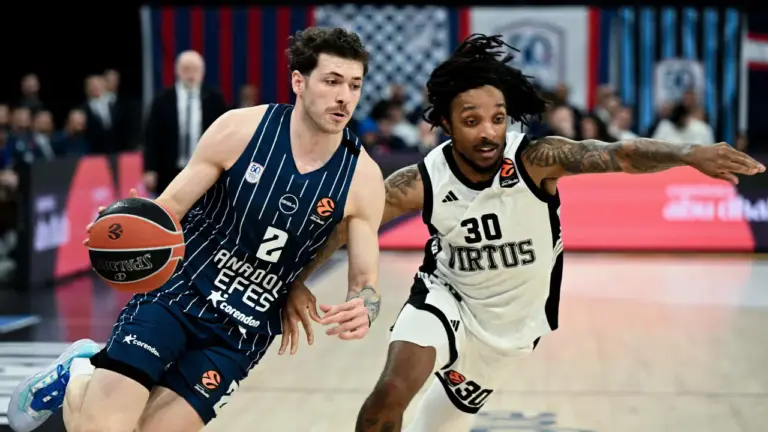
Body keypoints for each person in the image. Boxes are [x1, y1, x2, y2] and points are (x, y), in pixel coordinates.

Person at [278, 34, 766, 432]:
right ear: (446, 123)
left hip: (508, 331)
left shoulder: (535, 160)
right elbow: (348, 225)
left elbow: (618, 154)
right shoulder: (422, 181)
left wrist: (687, 155)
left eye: (497, 119)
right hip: (445, 299)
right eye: (471, 121)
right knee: (387, 398)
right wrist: (297, 279)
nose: (488, 133)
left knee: (434, 426)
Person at [8, 27, 385, 432]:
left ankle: (86, 372)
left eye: (354, 85)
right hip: (178, 292)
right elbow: (170, 208)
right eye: (332, 81)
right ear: (299, 81)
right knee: (101, 428)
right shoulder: (240, 130)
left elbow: (365, 281)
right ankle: (80, 370)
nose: (344, 96)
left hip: (241, 331)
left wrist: (363, 306)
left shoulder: (363, 178)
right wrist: (125, 224)